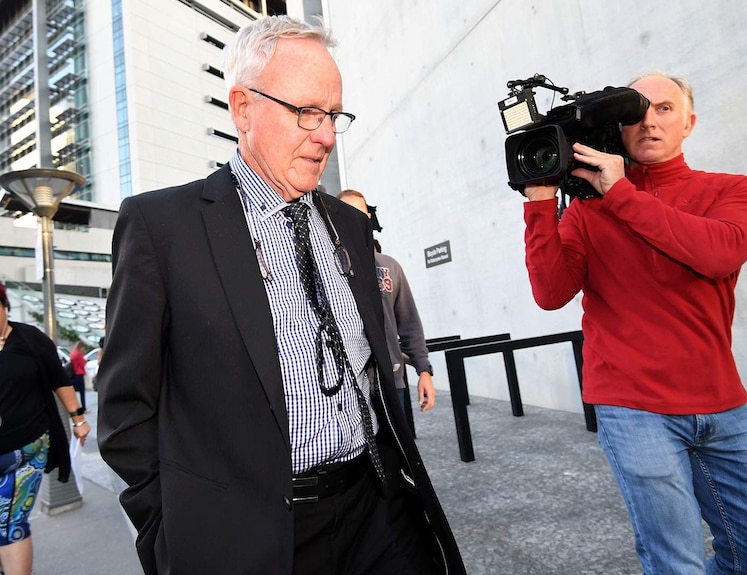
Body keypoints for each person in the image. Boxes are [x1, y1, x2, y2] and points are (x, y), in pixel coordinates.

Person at [97, 15, 465, 575]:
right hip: (253, 540)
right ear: (243, 108)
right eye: (307, 113)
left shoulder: (349, 224)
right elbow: (125, 409)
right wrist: (167, 531)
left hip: (379, 513)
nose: (326, 136)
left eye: (334, 115)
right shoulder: (161, 227)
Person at [522, 72, 747, 574]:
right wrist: (539, 203)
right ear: (618, 128)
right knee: (676, 563)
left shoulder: (731, 190)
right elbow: (551, 294)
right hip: (633, 408)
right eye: (636, 112)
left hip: (725, 407)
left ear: (689, 122)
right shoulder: (586, 211)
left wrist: (621, 193)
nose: (649, 121)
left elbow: (716, 253)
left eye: (664, 109)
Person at [0, 282, 90, 575]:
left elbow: (59, 381)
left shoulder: (30, 339)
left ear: (5, 307)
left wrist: (78, 419)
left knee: (11, 522)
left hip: (27, 446)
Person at [338, 190, 436, 416]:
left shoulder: (389, 266)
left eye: (358, 213)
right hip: (349, 385)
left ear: (368, 218)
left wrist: (424, 370)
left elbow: (409, 322)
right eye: (345, 213)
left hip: (391, 378)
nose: (353, 219)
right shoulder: (329, 267)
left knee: (395, 450)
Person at [68, 340, 87, 411]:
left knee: (73, 392)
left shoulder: (73, 353)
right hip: (79, 374)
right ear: (81, 347)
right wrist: (85, 360)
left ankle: (74, 408)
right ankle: (84, 408)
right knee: (82, 392)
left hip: (73, 375)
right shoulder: (79, 354)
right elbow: (82, 364)